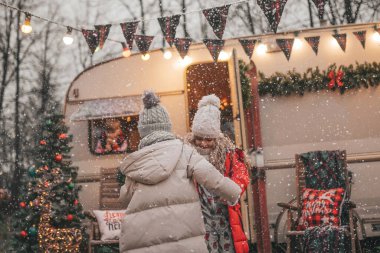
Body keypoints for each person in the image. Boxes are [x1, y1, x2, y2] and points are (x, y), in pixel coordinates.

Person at [118, 91, 242, 253]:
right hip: (183, 234)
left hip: (149, 235)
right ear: (167, 128)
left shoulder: (137, 161)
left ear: (143, 133)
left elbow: (125, 198)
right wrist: (233, 192)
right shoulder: (185, 151)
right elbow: (212, 178)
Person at [186, 94, 250, 253]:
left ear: (216, 138)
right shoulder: (186, 154)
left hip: (225, 216)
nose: (203, 143)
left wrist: (233, 189)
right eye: (199, 138)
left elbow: (241, 173)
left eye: (208, 139)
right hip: (201, 217)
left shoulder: (228, 153)